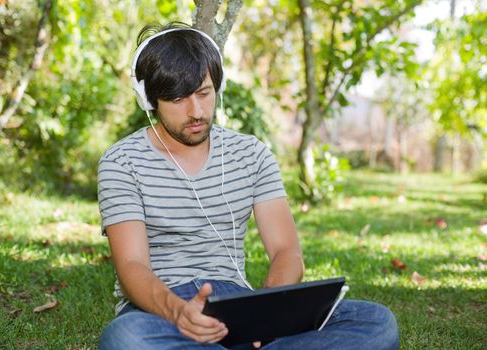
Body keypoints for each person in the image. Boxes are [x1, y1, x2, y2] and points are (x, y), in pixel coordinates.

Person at [97, 22, 399, 349]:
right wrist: (179, 313)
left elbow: (287, 251)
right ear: (149, 99)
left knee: (376, 321)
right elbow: (132, 266)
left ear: (218, 88)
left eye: (204, 93)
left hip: (234, 304)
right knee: (126, 338)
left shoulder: (251, 153)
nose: (196, 111)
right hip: (158, 310)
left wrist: (266, 319)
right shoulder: (121, 161)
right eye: (179, 98)